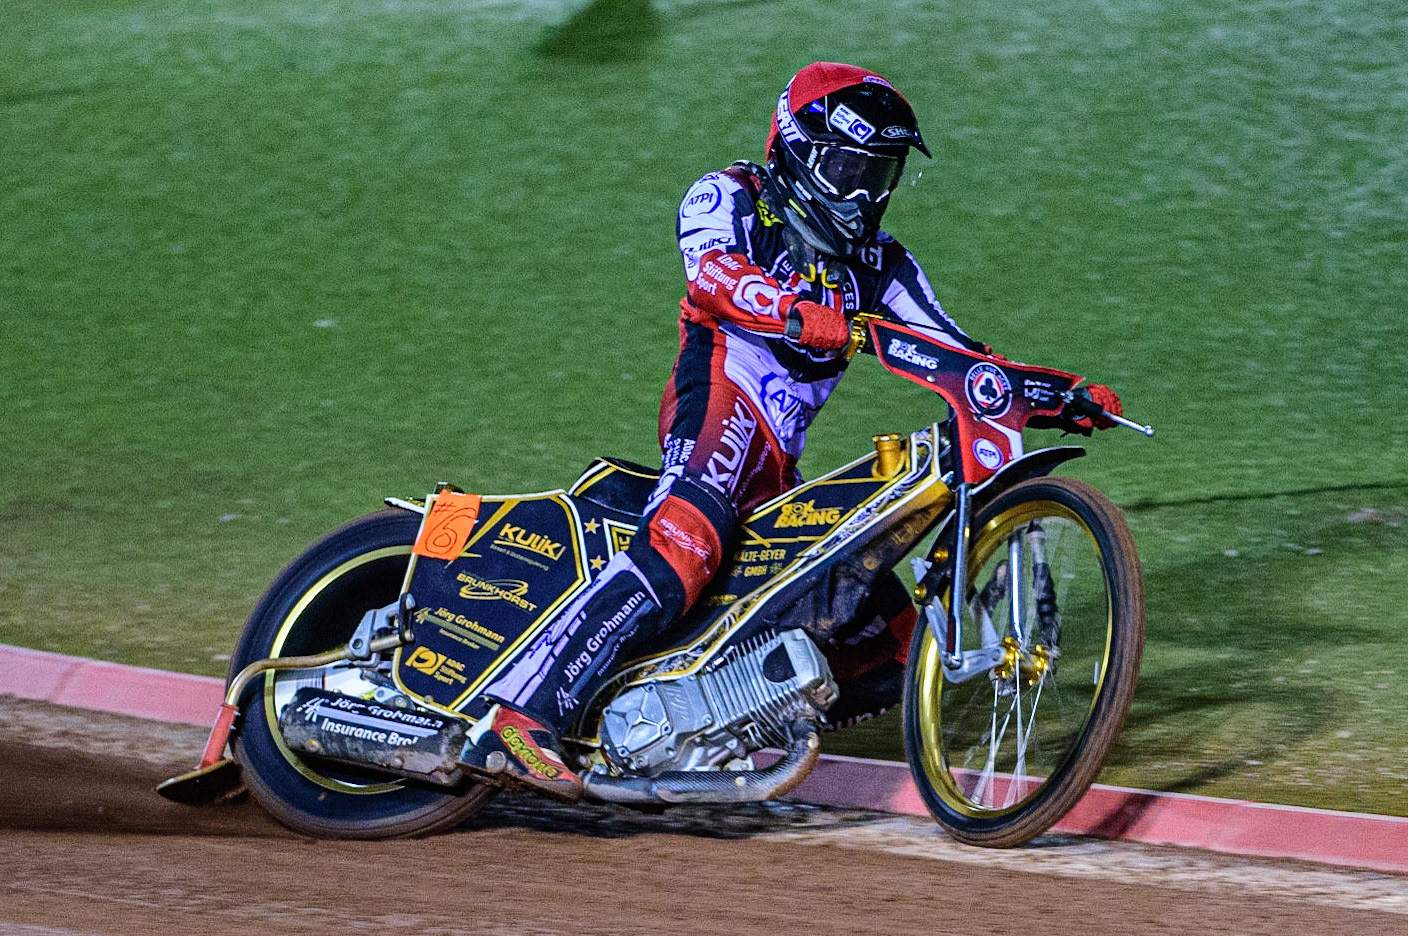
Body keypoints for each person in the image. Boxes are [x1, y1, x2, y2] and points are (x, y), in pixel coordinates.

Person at [460, 62, 1123, 802]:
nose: (866, 193)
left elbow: (960, 352)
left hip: (781, 457)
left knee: (894, 649)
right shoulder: (730, 193)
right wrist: (789, 309)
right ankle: (520, 716)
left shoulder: (882, 265)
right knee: (689, 537)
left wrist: (1055, 391)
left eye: (882, 174)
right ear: (798, 150)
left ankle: (720, 720)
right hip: (719, 390)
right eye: (850, 168)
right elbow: (710, 274)